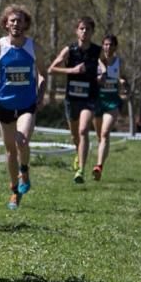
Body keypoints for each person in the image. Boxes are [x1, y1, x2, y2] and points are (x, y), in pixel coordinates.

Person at [0, 4, 46, 210]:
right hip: (4, 104)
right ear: (5, 24)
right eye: (12, 21)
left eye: (20, 20)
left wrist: (41, 94)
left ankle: (24, 170)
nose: (16, 24)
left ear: (26, 24)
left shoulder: (33, 47)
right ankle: (14, 191)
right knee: (10, 150)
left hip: (27, 104)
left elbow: (44, 74)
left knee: (22, 139)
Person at [48, 18, 101, 184]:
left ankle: (81, 170)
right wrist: (72, 70)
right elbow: (51, 69)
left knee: (84, 130)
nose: (85, 32)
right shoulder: (69, 50)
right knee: (75, 135)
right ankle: (78, 154)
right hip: (72, 98)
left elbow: (106, 68)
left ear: (92, 32)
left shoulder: (98, 51)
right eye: (82, 29)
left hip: (89, 97)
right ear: (76, 31)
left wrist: (102, 75)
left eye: (88, 29)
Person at [92, 34, 124, 180]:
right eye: (105, 44)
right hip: (98, 101)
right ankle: (100, 162)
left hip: (112, 102)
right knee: (100, 137)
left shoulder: (119, 62)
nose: (108, 47)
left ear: (115, 47)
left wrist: (123, 83)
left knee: (105, 134)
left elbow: (120, 78)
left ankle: (99, 166)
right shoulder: (96, 61)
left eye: (111, 45)